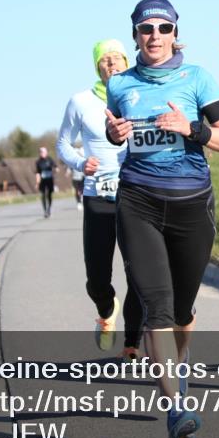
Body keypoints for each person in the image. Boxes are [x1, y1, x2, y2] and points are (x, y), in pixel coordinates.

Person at [105, 0, 219, 438]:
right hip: (137, 201)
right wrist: (112, 133)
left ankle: (178, 372)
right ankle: (175, 407)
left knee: (182, 310)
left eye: (163, 28)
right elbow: (117, 131)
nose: (155, 36)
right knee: (157, 307)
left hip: (191, 205)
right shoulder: (121, 85)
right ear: (136, 36)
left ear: (175, 33)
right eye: (146, 29)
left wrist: (192, 129)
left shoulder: (197, 77)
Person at [57, 39, 145, 358]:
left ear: (126, 60)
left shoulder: (141, 93)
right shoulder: (80, 102)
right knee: (96, 276)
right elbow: (63, 144)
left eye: (116, 58)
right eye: (104, 60)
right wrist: (81, 163)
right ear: (97, 67)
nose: (111, 64)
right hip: (97, 194)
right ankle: (107, 311)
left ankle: (132, 342)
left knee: (138, 271)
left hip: (136, 191)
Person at [34, 147, 56, 218]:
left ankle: (49, 209)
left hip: (49, 180)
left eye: (43, 152)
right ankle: (45, 211)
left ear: (46, 152)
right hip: (42, 180)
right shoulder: (38, 162)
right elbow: (37, 173)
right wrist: (37, 183)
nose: (42, 153)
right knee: (43, 195)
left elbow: (55, 167)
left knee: (49, 195)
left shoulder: (50, 159)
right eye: (40, 152)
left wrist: (55, 169)